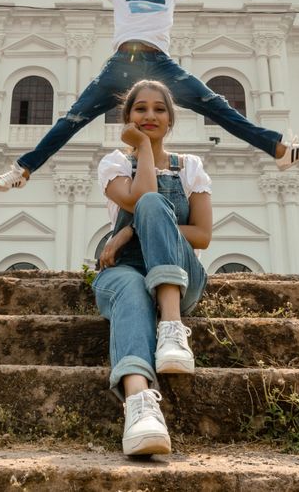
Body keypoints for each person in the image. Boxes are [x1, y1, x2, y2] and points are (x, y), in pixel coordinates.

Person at [0, 0, 299, 191]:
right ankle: (23, 168)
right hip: (122, 64)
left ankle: (279, 150)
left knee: (215, 104)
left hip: (160, 66)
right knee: (74, 117)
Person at [92, 79, 211, 456]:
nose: (150, 115)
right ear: (127, 118)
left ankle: (172, 328)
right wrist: (142, 147)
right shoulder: (114, 163)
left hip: (181, 273)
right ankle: (141, 409)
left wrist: (127, 234)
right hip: (126, 272)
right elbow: (140, 195)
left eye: (159, 109)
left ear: (170, 119)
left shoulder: (190, 167)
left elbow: (203, 235)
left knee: (151, 208)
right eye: (140, 109)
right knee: (130, 286)